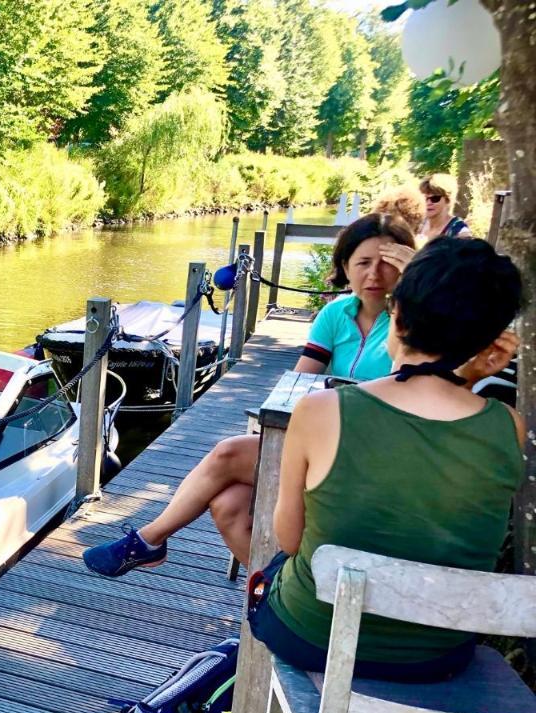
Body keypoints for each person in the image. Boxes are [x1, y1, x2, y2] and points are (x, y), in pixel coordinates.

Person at [83, 214, 418, 577]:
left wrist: (416, 291)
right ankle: (269, 609)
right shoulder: (336, 314)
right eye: (363, 263)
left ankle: (149, 540)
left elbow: (410, 381)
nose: (374, 274)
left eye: (387, 263)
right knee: (228, 505)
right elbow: (300, 381)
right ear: (345, 266)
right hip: (330, 440)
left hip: (377, 456)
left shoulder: (416, 321)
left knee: (228, 452)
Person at [250, 238, 523, 680]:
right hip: (437, 656)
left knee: (277, 572)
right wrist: (470, 373)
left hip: (313, 635)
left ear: (398, 315)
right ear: (491, 340)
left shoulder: (322, 410)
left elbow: (289, 538)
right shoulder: (507, 425)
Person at [418, 174, 472, 241]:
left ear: (447, 199)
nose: (428, 203)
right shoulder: (418, 225)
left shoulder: (460, 231)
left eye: (435, 198)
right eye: (425, 198)